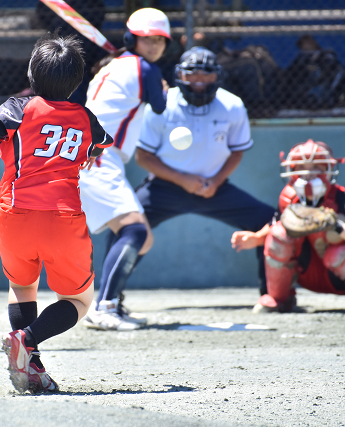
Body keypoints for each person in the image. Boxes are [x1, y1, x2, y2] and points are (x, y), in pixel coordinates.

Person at [0, 33, 113, 393]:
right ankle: (27, 340)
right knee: (79, 300)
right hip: (63, 218)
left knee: (21, 286)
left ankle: (29, 359)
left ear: (32, 74)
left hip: (14, 215)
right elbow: (100, 145)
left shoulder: (17, 108)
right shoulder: (85, 117)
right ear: (76, 81)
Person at [133, 46, 275, 297]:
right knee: (126, 224)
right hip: (164, 187)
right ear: (180, 75)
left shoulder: (232, 105)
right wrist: (182, 180)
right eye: (192, 74)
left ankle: (273, 294)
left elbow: (236, 151)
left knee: (269, 222)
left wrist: (216, 181)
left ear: (217, 76)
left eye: (206, 74)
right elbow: (143, 157)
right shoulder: (161, 103)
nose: (198, 80)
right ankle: (109, 299)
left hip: (214, 188)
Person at [78, 7, 171, 331]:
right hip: (98, 156)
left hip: (95, 155)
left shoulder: (114, 65)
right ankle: (104, 308)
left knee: (138, 236)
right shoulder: (144, 69)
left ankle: (110, 299)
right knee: (135, 231)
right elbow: (159, 105)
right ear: (132, 39)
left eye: (160, 40)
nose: (155, 45)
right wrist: (161, 87)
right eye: (147, 39)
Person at [231, 139, 345, 313]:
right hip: (306, 271)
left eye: (317, 168)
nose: (308, 174)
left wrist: (335, 227)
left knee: (337, 251)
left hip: (337, 270)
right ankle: (279, 299)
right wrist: (256, 238)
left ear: (329, 170)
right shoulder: (289, 199)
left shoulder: (340, 196)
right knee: (279, 234)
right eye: (301, 168)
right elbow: (275, 225)